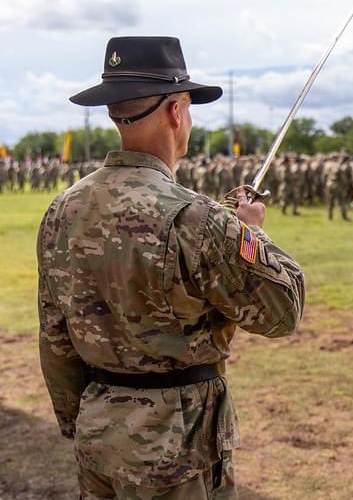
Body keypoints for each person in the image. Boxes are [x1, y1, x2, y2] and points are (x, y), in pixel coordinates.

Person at [37, 37, 305, 499]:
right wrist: (252, 234)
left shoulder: (63, 209)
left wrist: (80, 424)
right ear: (177, 111)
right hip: (176, 445)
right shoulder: (195, 217)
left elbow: (56, 337)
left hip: (98, 432)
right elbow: (282, 312)